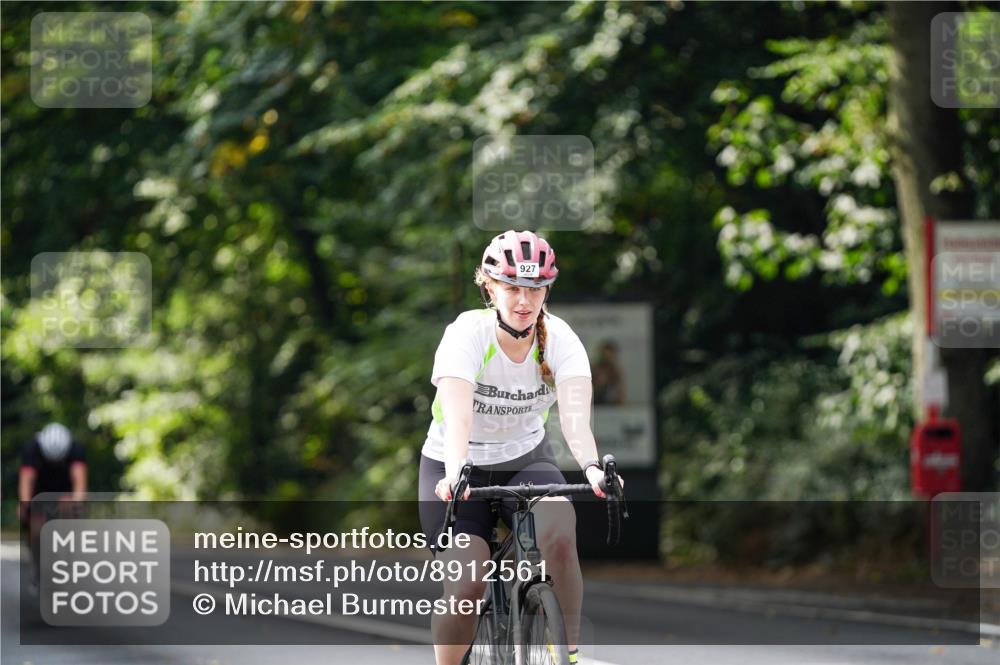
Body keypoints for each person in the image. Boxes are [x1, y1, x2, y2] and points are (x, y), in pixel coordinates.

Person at [418, 230, 624, 665]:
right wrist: (455, 474)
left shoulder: (561, 340)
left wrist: (592, 468)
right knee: (466, 585)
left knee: (559, 532)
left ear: (547, 290)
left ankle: (567, 654)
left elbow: (575, 421)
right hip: (456, 467)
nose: (524, 300)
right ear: (489, 288)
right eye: (512, 288)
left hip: (526, 461)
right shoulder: (467, 334)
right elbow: (458, 418)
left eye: (535, 288)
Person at [18, 422, 87, 585]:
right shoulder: (31, 449)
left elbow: (80, 483)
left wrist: (76, 502)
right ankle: (37, 564)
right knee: (33, 525)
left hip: (65, 493)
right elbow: (26, 481)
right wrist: (25, 505)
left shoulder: (76, 449)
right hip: (39, 492)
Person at [592, 339, 625, 405]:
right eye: (605, 355)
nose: (607, 358)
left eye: (610, 356)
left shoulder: (615, 371)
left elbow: (620, 393)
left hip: (611, 406)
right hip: (596, 404)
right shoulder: (595, 369)